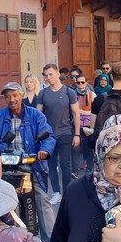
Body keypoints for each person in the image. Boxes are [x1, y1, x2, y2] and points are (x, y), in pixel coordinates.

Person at [0, 82, 57, 241]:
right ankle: (5, 240)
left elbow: (49, 135)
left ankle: (53, 241)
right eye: (8, 97)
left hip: (31, 164)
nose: (12, 99)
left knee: (42, 199)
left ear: (21, 95)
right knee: (1, 202)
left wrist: (44, 151)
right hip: (5, 166)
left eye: (15, 95)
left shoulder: (36, 115)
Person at [37, 64, 82, 203]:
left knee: (65, 164)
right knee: (51, 164)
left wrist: (77, 134)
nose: (48, 77)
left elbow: (76, 113)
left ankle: (67, 192)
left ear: (57, 74)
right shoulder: (43, 93)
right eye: (46, 75)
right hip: (49, 135)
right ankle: (56, 192)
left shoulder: (69, 92)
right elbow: (38, 115)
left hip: (65, 132)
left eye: (50, 74)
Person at [73, 74, 97, 174]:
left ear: (86, 83)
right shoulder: (73, 94)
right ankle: (75, 169)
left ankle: (89, 168)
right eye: (78, 82)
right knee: (76, 147)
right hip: (76, 124)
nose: (81, 84)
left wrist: (81, 111)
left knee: (88, 147)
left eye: (82, 82)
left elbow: (94, 110)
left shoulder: (92, 95)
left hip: (89, 124)